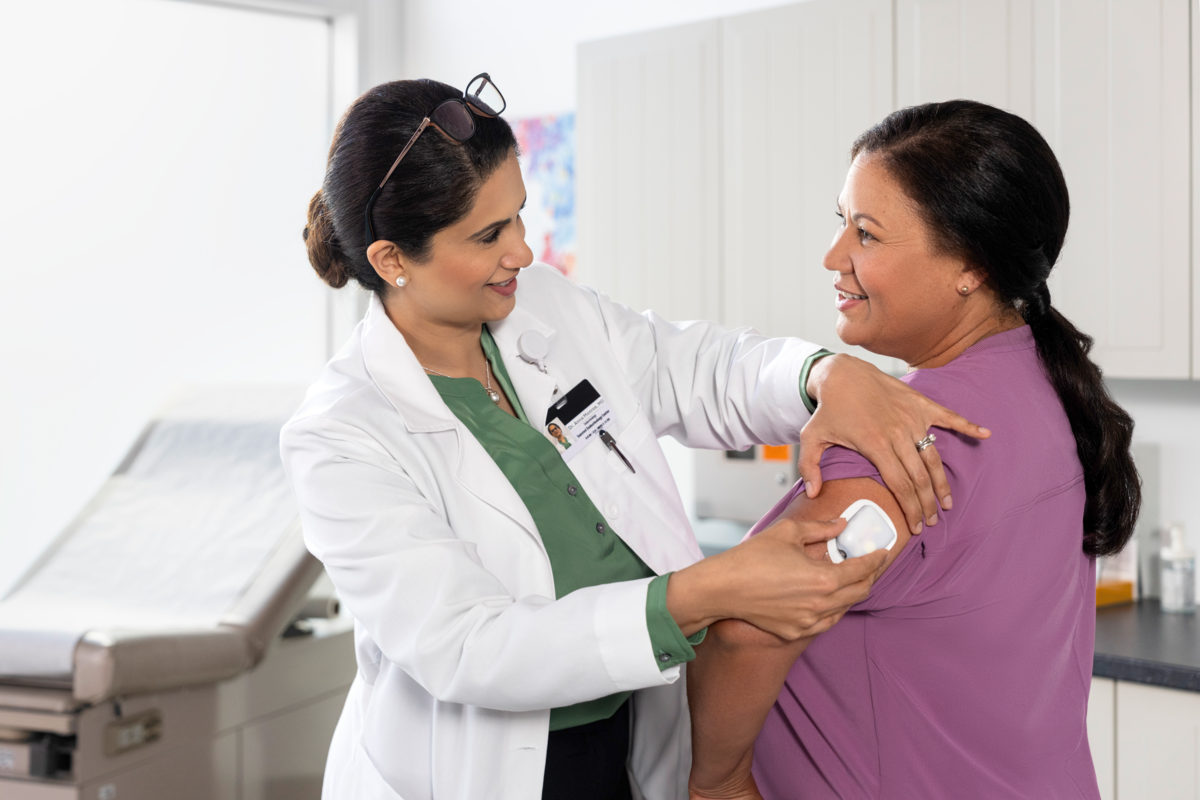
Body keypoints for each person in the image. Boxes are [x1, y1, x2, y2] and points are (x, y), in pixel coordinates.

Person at [281, 75, 990, 800]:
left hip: (631, 733)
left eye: (520, 215)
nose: (523, 253)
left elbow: (694, 368)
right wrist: (704, 592)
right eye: (489, 235)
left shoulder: (542, 307)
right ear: (392, 261)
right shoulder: (340, 435)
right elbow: (471, 648)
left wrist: (822, 374)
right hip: (486, 770)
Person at [686, 100, 1142, 800]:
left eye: (866, 234)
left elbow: (749, 627)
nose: (834, 257)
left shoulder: (901, 444)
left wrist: (715, 782)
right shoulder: (1045, 382)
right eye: (841, 221)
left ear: (970, 265)